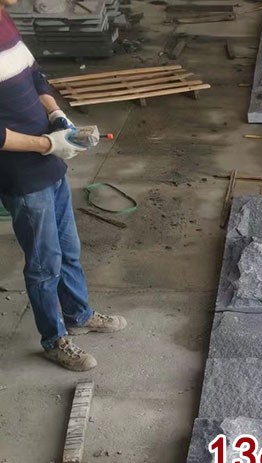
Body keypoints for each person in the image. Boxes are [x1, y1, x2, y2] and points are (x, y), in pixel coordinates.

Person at [0, 0, 125, 371]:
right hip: (21, 171)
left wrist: (57, 117)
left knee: (69, 248)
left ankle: (78, 315)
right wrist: (45, 144)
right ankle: (54, 340)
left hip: (48, 159)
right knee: (44, 262)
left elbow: (33, 75)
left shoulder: (4, 18)